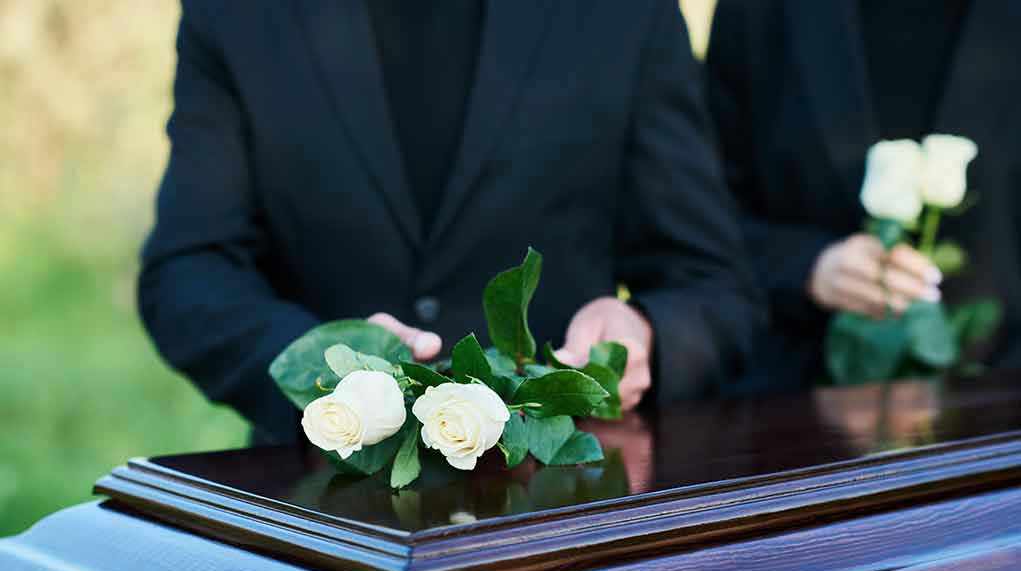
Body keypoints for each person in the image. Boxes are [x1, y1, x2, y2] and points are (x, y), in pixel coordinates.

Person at [139, 0, 763, 444]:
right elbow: (188, 274)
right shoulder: (235, 13)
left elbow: (714, 285)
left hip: (556, 520)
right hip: (317, 512)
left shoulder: (624, 12)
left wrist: (646, 333)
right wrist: (322, 370)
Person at [705, 0, 1021, 394]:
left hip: (1002, 403)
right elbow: (703, 217)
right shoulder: (761, 11)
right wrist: (807, 265)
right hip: (794, 405)